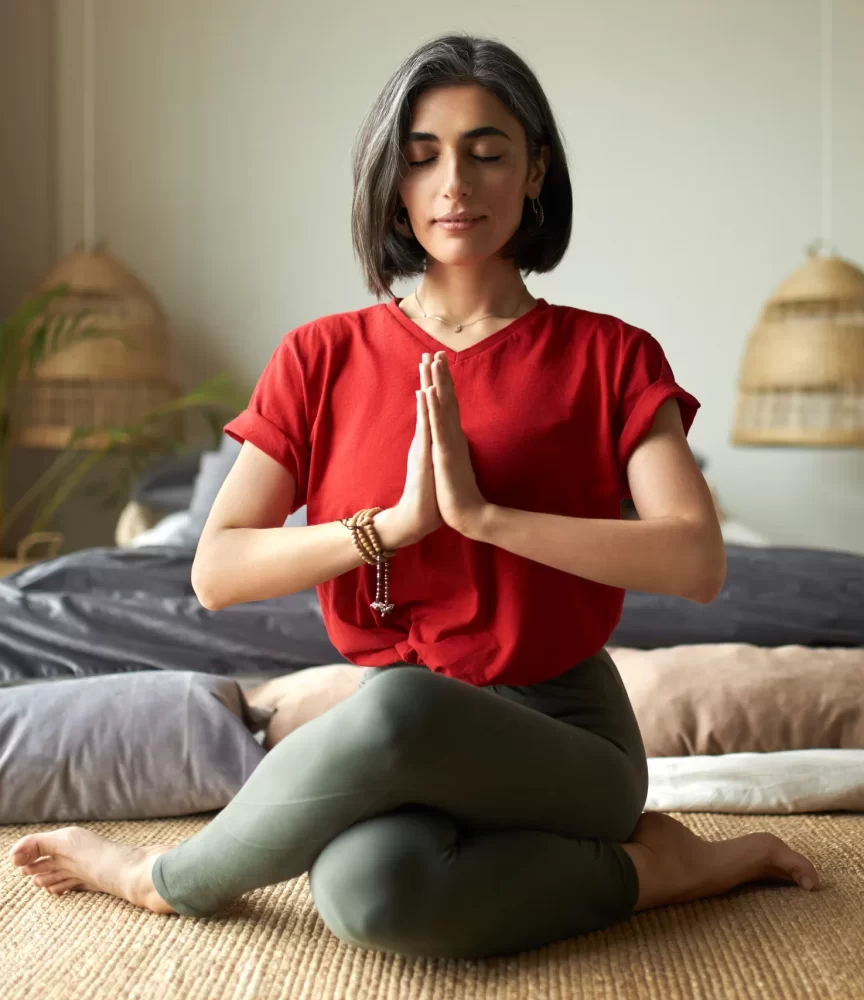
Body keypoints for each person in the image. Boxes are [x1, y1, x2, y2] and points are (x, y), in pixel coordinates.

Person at [9, 33, 819, 960]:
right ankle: (660, 870)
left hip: (566, 740)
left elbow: (697, 559)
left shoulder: (610, 355)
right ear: (393, 182)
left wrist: (485, 518)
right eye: (423, 156)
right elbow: (216, 571)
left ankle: (159, 880)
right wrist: (389, 529)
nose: (454, 185)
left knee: (398, 708)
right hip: (403, 728)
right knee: (368, 894)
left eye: (486, 152)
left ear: (535, 171)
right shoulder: (319, 356)